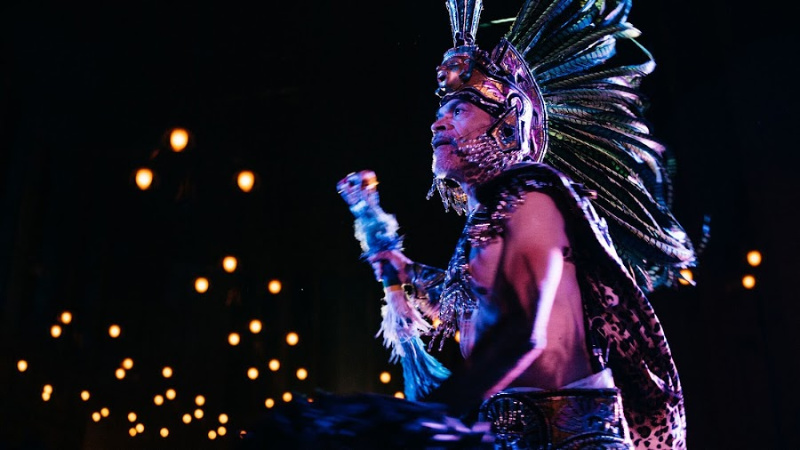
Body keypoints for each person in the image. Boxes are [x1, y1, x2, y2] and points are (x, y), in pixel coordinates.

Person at [357, 0, 698, 449]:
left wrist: (433, 411)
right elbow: (469, 309)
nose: (438, 121)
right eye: (442, 111)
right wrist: (406, 273)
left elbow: (521, 332)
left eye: (458, 111)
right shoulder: (491, 216)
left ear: (507, 124)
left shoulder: (534, 199)